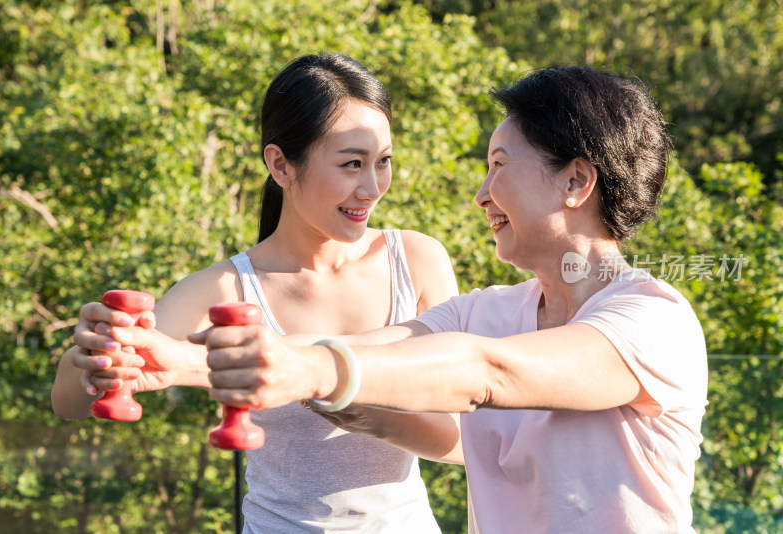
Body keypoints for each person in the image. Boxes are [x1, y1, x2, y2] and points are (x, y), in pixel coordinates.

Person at [196, 66, 709, 533]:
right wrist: (172, 359)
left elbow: (486, 373)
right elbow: (359, 348)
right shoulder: (485, 312)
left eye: (499, 165)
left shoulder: (654, 318)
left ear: (575, 181)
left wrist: (314, 372)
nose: (482, 194)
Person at [51, 53, 460, 533]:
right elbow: (71, 401)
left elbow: (458, 443)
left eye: (383, 162)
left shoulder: (417, 261)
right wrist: (95, 353)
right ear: (281, 165)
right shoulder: (222, 291)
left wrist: (335, 389)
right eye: (352, 164)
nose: (372, 188)